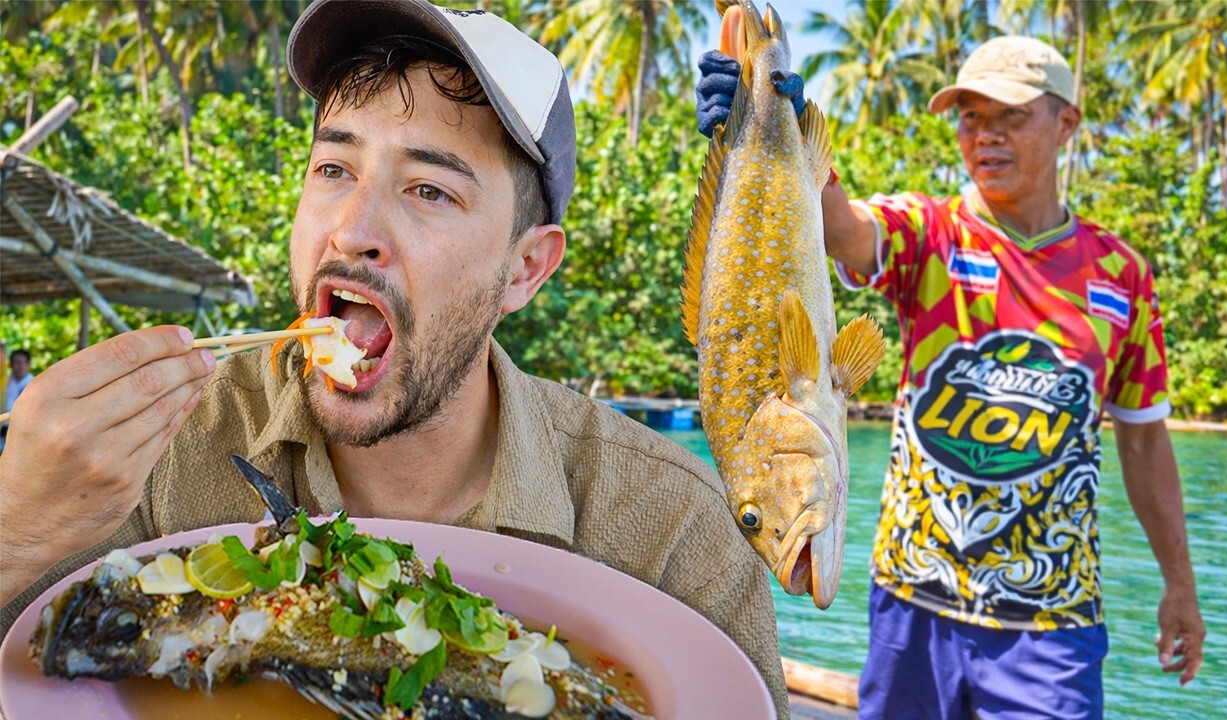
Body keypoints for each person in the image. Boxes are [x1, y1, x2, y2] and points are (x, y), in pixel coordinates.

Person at [0, 2, 790, 715]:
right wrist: (17, 533)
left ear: (525, 269)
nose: (350, 230)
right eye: (333, 169)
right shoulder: (149, 454)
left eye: (429, 191)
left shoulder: (676, 535)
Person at [698, 35, 1205, 719]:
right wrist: (764, 126)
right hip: (913, 603)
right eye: (970, 117)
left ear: (1067, 123)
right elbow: (843, 233)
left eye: (1010, 116)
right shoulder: (931, 233)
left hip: (1051, 618)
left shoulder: (1121, 278)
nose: (985, 136)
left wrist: (1180, 583)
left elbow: (1144, 443)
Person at [0, 348, 33, 451]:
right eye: (17, 362)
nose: (20, 366)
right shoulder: (7, 383)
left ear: (28, 364)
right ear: (11, 364)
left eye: (23, 362)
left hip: (22, 437)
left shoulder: (34, 385)